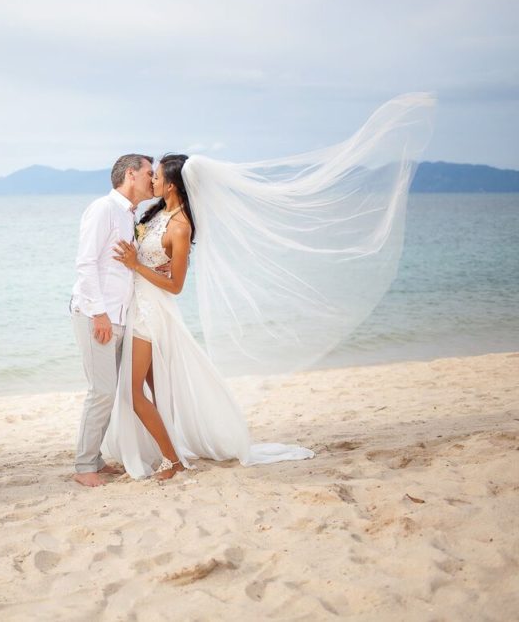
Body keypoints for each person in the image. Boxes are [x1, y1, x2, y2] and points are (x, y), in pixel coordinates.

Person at [102, 93, 436, 479]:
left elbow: (175, 285)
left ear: (174, 184)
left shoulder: (181, 226)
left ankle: (173, 462)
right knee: (155, 392)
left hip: (152, 312)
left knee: (133, 393)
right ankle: (168, 452)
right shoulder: (156, 214)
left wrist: (134, 265)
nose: (153, 179)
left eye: (158, 175)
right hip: (138, 306)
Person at [70, 153, 155, 487]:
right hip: (98, 314)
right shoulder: (104, 209)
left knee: (108, 391)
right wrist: (100, 313)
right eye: (150, 172)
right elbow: (86, 263)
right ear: (131, 175)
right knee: (101, 391)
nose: (153, 178)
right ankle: (83, 467)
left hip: (119, 316)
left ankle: (94, 458)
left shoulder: (128, 215)